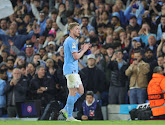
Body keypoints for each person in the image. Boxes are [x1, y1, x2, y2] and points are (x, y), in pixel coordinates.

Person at [60, 22, 91, 122]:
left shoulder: (69, 40)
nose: (79, 31)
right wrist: (84, 50)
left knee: (81, 91)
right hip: (71, 70)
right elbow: (76, 56)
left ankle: (65, 109)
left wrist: (81, 49)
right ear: (71, 30)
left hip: (72, 70)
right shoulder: (72, 41)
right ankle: (69, 116)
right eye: (77, 29)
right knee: (72, 92)